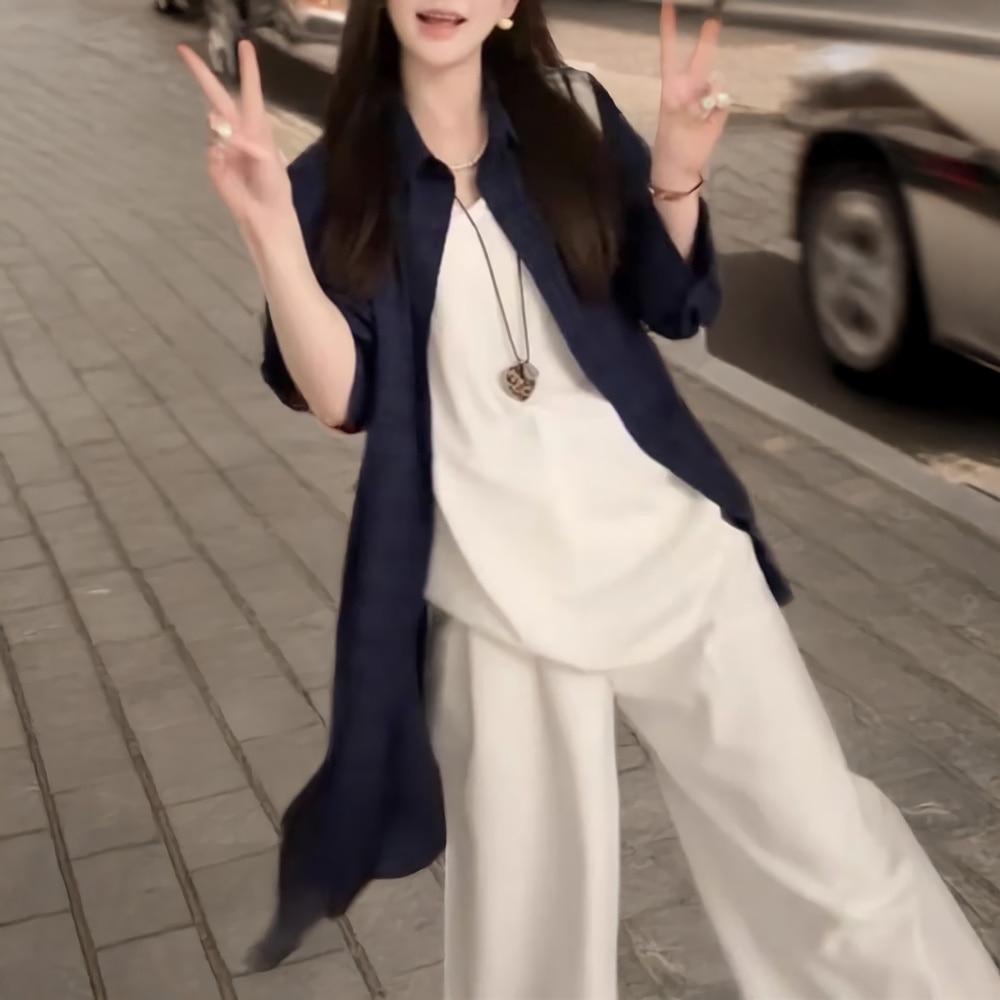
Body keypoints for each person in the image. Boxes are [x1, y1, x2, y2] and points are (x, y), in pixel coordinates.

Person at [177, 1, 1000, 996]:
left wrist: (678, 172)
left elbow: (670, 302)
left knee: (827, 851)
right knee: (531, 930)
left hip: (671, 546)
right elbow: (345, 398)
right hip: (495, 585)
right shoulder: (329, 178)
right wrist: (269, 229)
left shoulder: (571, 113)